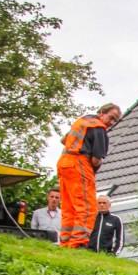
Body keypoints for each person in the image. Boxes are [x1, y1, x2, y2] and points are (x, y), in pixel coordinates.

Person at [57, 103, 120, 249]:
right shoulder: (98, 128)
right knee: (87, 207)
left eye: (115, 121)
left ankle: (65, 242)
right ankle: (78, 243)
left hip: (64, 162)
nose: (111, 123)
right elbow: (96, 159)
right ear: (102, 112)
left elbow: (63, 140)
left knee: (69, 206)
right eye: (111, 118)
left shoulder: (82, 121)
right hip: (79, 164)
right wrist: (93, 170)